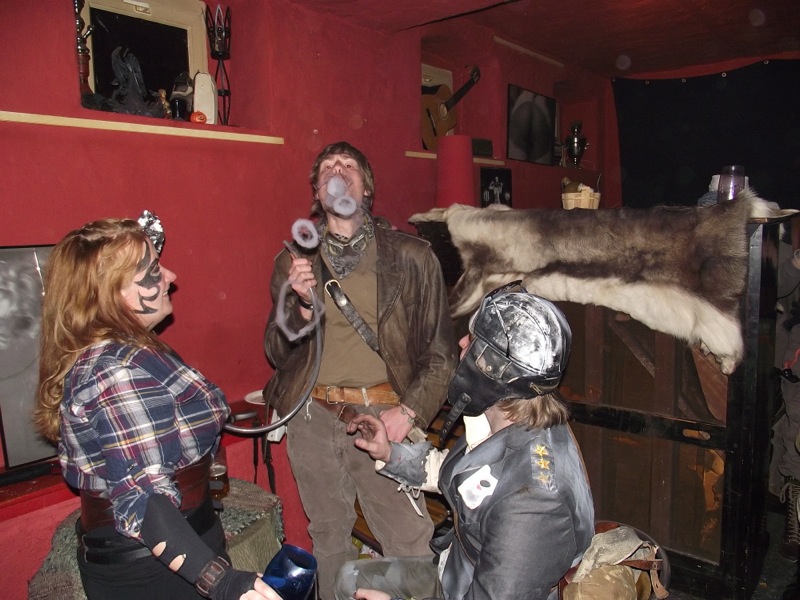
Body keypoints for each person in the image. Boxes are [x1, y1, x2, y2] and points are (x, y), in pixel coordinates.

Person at [34, 217, 278, 600]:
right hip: (153, 565)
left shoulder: (130, 350)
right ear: (111, 296)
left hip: (178, 542)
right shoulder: (116, 371)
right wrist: (222, 582)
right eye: (152, 271)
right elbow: (145, 500)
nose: (170, 276)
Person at [263, 141, 458, 598]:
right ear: (317, 191)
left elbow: (442, 354)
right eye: (327, 167)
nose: (337, 171)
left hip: (382, 417)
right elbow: (276, 352)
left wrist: (408, 412)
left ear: (366, 187)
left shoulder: (412, 256)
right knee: (328, 536)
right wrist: (301, 307)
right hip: (311, 418)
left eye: (348, 165)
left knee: (409, 543)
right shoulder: (293, 261)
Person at [334, 283, 596, 600]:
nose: (462, 342)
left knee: (354, 584)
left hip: (469, 588)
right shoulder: (505, 420)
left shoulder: (534, 504)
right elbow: (468, 475)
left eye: (473, 341)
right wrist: (390, 453)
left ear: (492, 369)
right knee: (349, 578)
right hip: (455, 570)